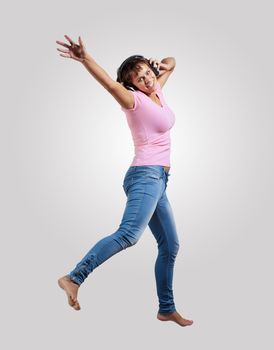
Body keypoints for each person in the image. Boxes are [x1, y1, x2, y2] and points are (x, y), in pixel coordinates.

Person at [56, 35, 193, 327]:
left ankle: (166, 309)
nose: (146, 79)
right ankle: (74, 277)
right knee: (129, 235)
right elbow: (109, 84)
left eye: (146, 72)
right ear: (132, 85)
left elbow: (172, 62)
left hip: (159, 180)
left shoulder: (157, 90)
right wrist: (85, 58)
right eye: (139, 78)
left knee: (170, 246)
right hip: (145, 176)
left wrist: (159, 64)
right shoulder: (134, 101)